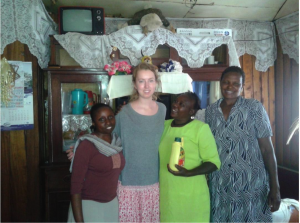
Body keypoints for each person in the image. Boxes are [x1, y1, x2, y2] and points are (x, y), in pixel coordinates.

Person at [205, 66, 281, 223]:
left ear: (241, 86)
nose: (230, 87)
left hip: (250, 184)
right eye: (226, 82)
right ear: (220, 83)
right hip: (220, 184)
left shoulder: (254, 108)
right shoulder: (210, 111)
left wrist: (275, 186)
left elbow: (267, 149)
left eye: (235, 84)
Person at [114, 62, 166, 223]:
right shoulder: (123, 114)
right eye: (141, 81)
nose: (146, 85)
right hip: (129, 183)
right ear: (135, 84)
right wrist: (80, 147)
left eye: (150, 80)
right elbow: (107, 139)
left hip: (154, 182)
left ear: (156, 82)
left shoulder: (163, 109)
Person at [159, 92, 221, 223]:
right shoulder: (163, 126)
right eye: (176, 102)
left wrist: (189, 172)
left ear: (191, 111)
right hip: (166, 194)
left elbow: (214, 162)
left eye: (181, 104)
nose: (175, 105)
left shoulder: (200, 129)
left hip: (192, 195)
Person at [67, 103, 125, 223]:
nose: (108, 123)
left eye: (110, 117)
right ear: (93, 123)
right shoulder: (86, 146)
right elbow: (75, 187)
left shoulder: (117, 143)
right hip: (89, 206)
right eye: (101, 119)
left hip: (111, 205)